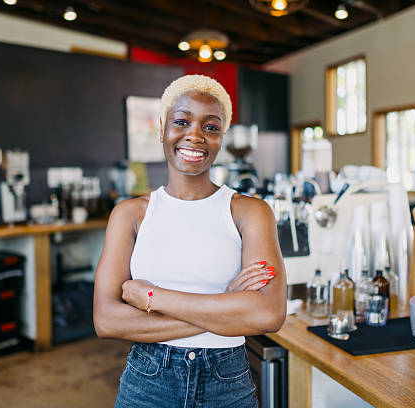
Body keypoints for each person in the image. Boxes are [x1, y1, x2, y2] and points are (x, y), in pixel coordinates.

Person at [93, 74, 286, 408]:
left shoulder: (251, 212)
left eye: (210, 127)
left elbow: (268, 314)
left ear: (221, 138)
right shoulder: (130, 214)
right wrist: (224, 306)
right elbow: (106, 319)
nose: (195, 135)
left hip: (228, 382)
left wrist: (151, 296)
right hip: (147, 381)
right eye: (181, 121)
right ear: (162, 129)